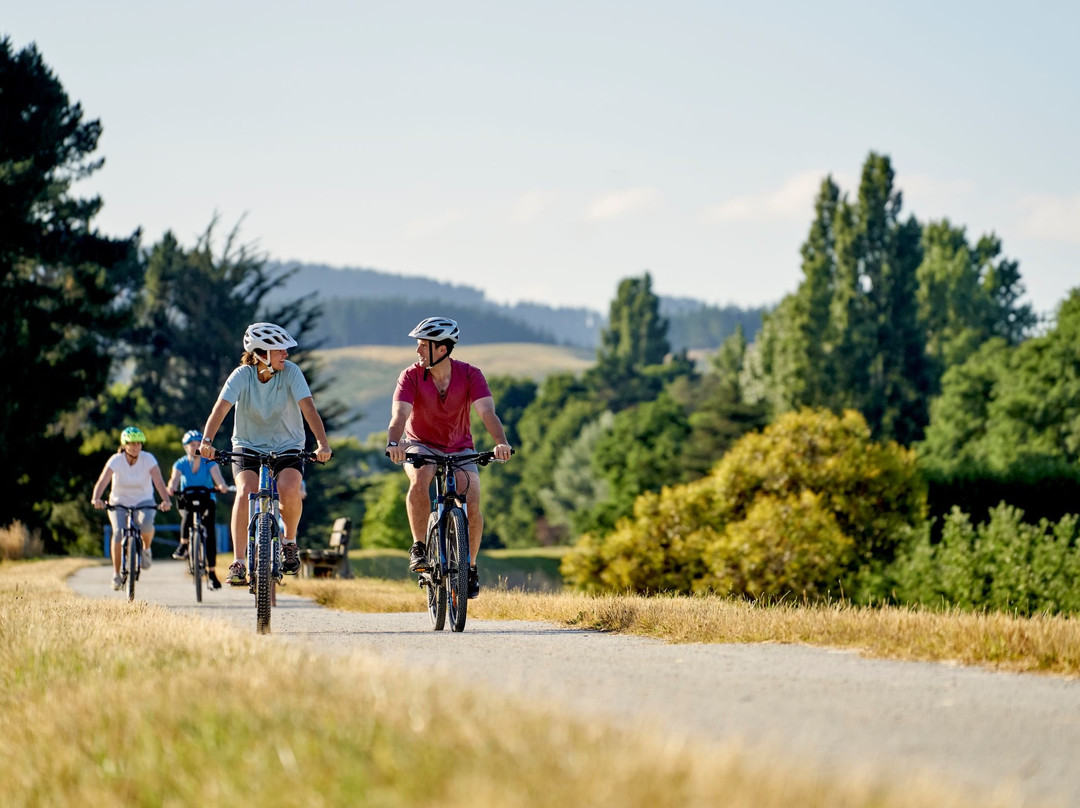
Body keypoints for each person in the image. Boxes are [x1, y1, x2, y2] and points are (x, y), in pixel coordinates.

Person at [386, 316, 513, 599]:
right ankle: (419, 547)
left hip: (460, 448)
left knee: (473, 494)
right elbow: (399, 415)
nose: (417, 351)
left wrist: (501, 443)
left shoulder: (470, 375)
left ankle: (469, 566)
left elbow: (487, 413)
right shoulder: (410, 376)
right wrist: (394, 443)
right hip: (420, 444)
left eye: (422, 345)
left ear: (441, 349)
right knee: (420, 479)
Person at [198, 322, 333, 586]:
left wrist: (322, 444)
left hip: (288, 445)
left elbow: (309, 409)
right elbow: (220, 409)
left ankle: (289, 542)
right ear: (261, 353)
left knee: (289, 486)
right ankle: (239, 561)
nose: (286, 354)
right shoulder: (241, 376)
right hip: (248, 444)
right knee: (245, 490)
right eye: (280, 350)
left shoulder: (291, 373)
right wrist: (206, 441)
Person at [91, 426, 173, 591]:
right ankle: (116, 574)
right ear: (125, 444)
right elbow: (102, 481)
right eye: (132, 444)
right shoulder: (116, 460)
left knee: (146, 524)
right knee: (118, 532)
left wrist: (166, 500)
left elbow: (158, 481)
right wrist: (96, 498)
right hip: (119, 502)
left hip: (144, 500)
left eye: (139, 443)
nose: (136, 447)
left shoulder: (148, 459)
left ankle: (146, 549)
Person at [167, 429, 230, 589]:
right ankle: (183, 545)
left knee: (209, 534)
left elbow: (218, 478)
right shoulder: (180, 463)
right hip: (187, 499)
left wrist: (221, 486)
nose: (195, 447)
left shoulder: (209, 462)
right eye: (191, 444)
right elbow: (173, 480)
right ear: (185, 447)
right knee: (187, 515)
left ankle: (212, 573)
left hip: (206, 499)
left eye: (198, 444)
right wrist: (171, 488)